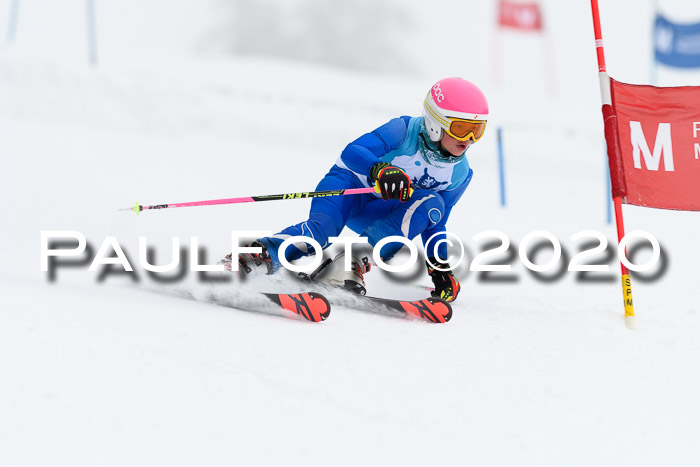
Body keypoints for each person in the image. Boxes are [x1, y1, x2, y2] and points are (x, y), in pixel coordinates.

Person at [227, 77, 488, 302]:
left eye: (478, 130)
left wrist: (438, 266)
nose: (469, 139)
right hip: (348, 188)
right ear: (436, 122)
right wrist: (380, 170)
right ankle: (252, 258)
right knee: (320, 232)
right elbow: (352, 152)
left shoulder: (461, 174)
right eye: (462, 128)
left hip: (380, 209)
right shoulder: (403, 130)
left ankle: (350, 261)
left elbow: (436, 222)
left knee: (432, 204)